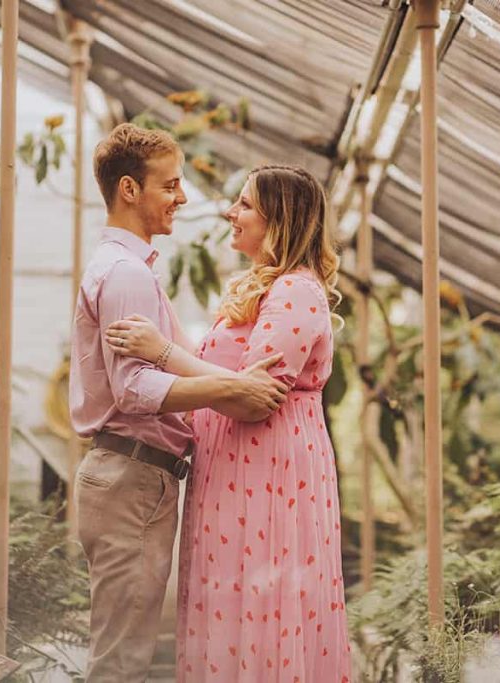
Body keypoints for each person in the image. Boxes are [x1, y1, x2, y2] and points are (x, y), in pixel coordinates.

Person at [106, 164, 351, 682]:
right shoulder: (264, 289)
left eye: (244, 205)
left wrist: (163, 351)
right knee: (232, 606)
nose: (229, 213)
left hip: (268, 475)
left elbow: (251, 400)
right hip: (236, 474)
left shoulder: (295, 291)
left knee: (261, 607)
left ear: (278, 220)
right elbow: (231, 381)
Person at [68, 123, 290, 683]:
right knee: (120, 660)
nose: (183, 197)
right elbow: (134, 391)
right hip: (131, 476)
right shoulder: (124, 274)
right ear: (129, 190)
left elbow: (164, 363)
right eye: (170, 185)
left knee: (126, 649)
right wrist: (233, 389)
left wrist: (228, 381)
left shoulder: (131, 270)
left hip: (136, 477)